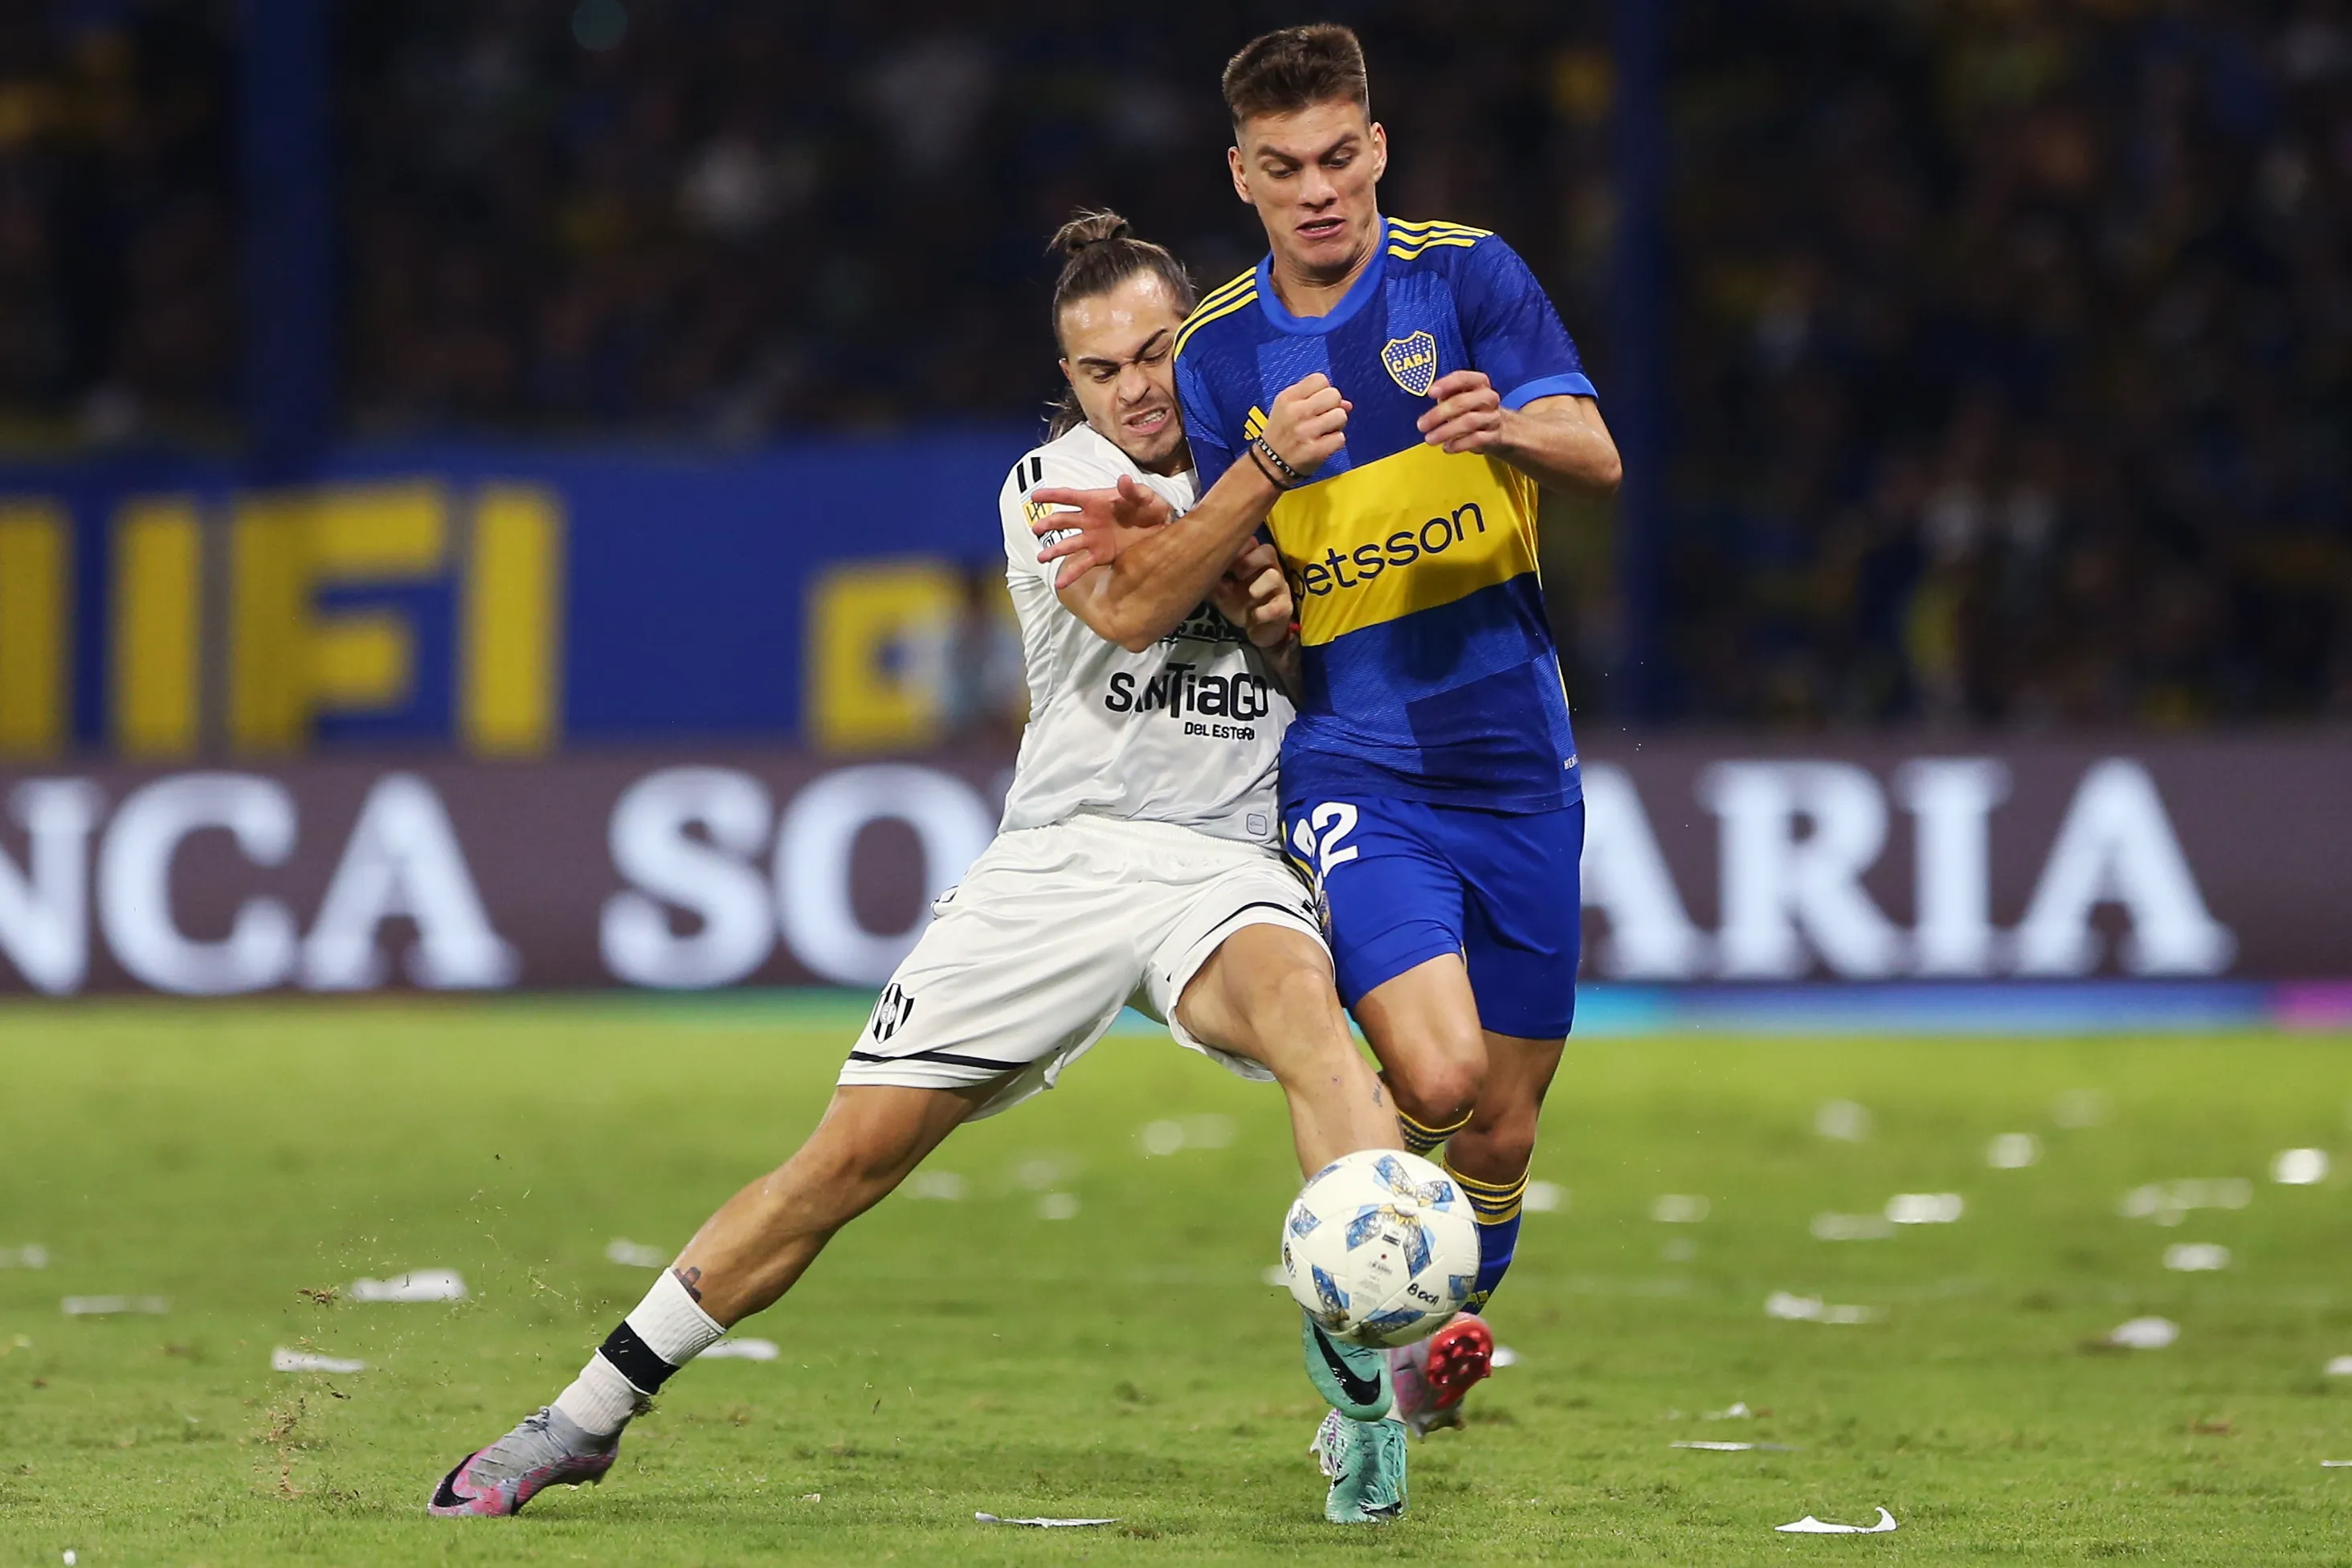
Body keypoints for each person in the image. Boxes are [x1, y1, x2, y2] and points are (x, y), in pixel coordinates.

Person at [427, 212, 1407, 1524]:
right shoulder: (1054, 480)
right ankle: (584, 1416)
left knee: (1314, 1029)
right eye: (1102, 368)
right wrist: (1255, 505)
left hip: (1220, 861)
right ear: (1068, 384)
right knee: (845, 1165)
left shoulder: (1278, 459)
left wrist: (1277, 616)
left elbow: (1312, 665)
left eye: (1157, 351)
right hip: (1059, 865)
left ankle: (1367, 1393)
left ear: (1201, 334)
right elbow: (1130, 606)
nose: (1135, 388)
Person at [1031, 23, 1623, 1448]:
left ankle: (1409, 1366)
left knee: (1504, 1129)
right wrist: (1226, 568)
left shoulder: (1468, 276)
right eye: (1285, 166)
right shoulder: (1220, 348)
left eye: (1339, 157)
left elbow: (1597, 453)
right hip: (1358, 756)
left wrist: (1508, 430)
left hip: (1516, 756)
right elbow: (1232, 566)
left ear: (1378, 150)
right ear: (1242, 175)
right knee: (1439, 1076)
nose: (1318, 190)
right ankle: (1358, 1270)